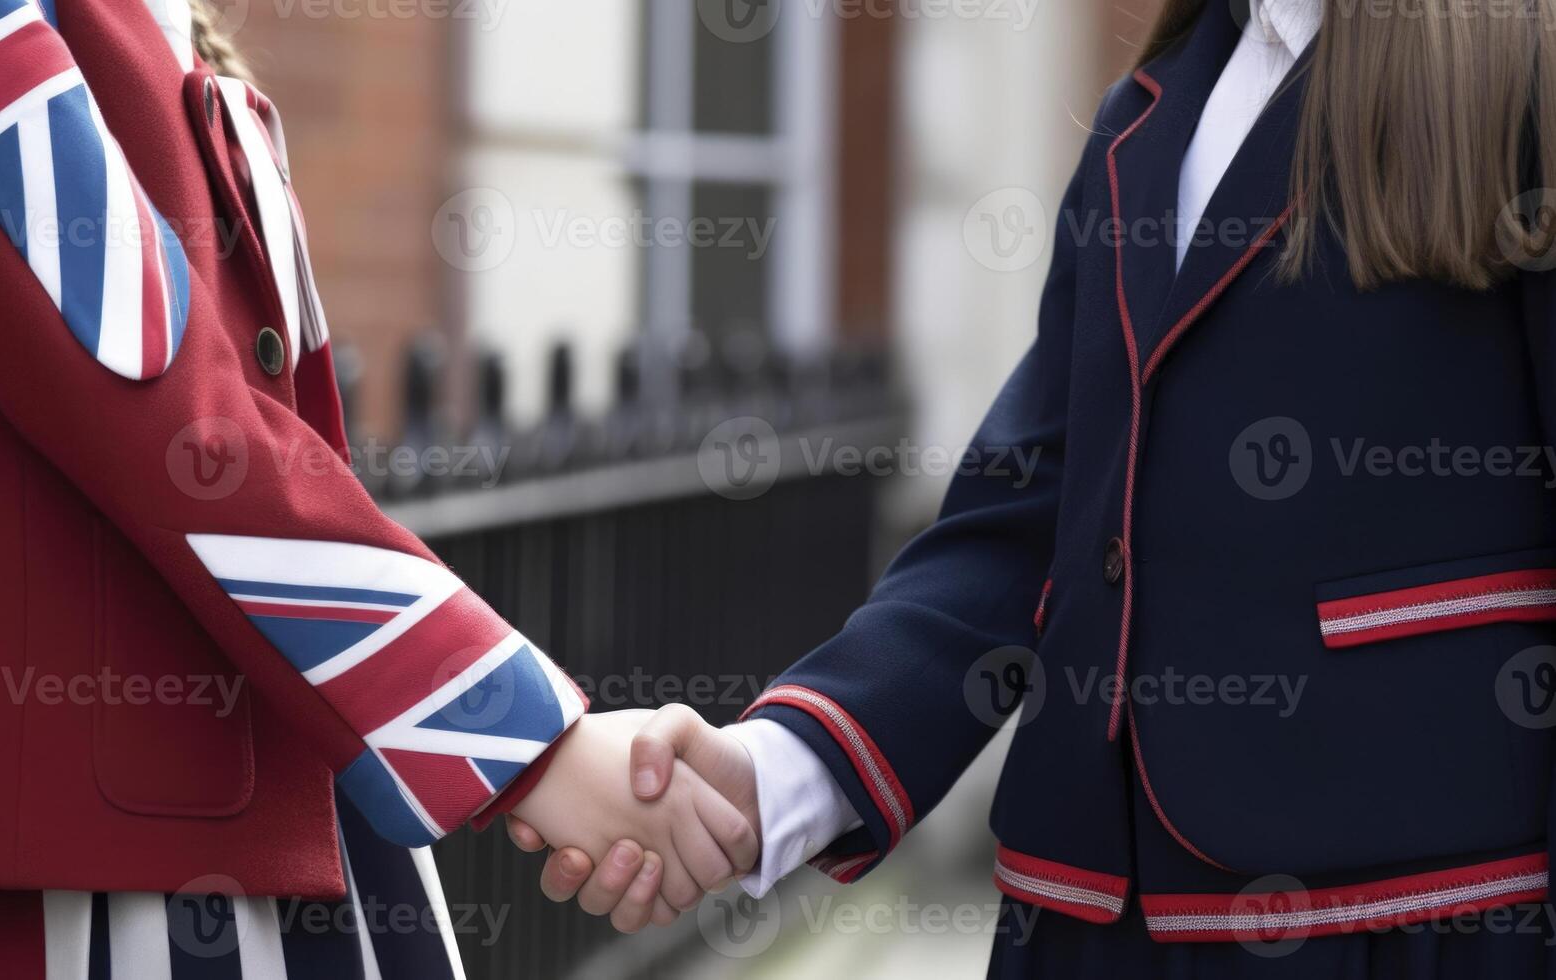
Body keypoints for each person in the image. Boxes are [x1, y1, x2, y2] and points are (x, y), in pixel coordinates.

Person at [524, 0, 1556, 974]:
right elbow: (1030, 517)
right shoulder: (1142, 119)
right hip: (1083, 916)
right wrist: (774, 771)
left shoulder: (1522, 78)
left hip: (1413, 919)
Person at [0, 0, 752, 975]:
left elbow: (281, 445)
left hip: (302, 830)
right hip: (67, 893)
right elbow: (167, 411)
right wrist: (515, 736)